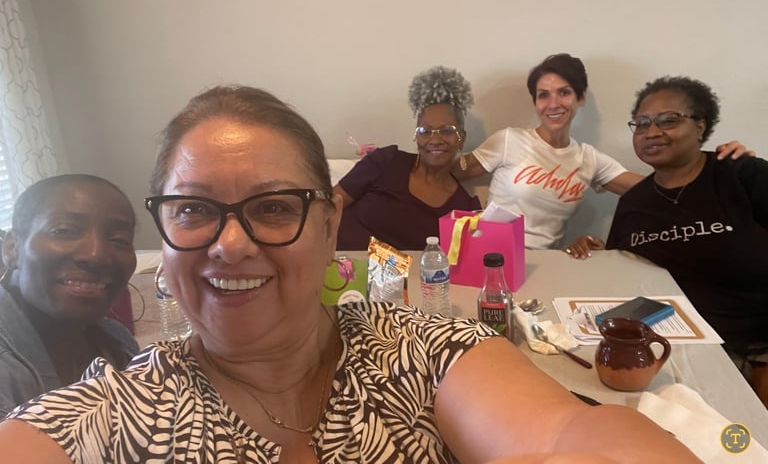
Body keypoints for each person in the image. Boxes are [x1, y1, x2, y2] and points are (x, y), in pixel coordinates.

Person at [0, 85, 698, 463]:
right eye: (194, 210)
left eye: (274, 207)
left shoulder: (427, 352)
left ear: (328, 226)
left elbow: (560, 438)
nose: (231, 245)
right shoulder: (112, 412)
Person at [455, 53, 750, 251]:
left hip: (547, 265)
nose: (553, 103)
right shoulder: (509, 140)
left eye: (564, 92)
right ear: (535, 102)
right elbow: (452, 173)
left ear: (580, 98)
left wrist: (718, 166)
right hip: (490, 255)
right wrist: (438, 141)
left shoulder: (589, 159)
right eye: (543, 95)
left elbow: (661, 189)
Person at [603, 76, 768, 353]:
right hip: (664, 345)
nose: (651, 132)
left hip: (752, 347)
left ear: (700, 126)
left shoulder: (743, 174)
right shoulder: (633, 202)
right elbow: (624, 272)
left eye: (669, 120)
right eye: (642, 123)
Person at [0, 174, 139, 417]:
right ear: (12, 248)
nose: (95, 255)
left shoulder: (118, 343)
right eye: (63, 231)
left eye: (119, 240)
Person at [335, 66, 480, 250]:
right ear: (416, 136)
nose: (435, 140)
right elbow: (330, 205)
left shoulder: (463, 208)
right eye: (425, 131)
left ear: (462, 139)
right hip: (339, 260)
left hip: (402, 270)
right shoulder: (386, 162)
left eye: (446, 131)